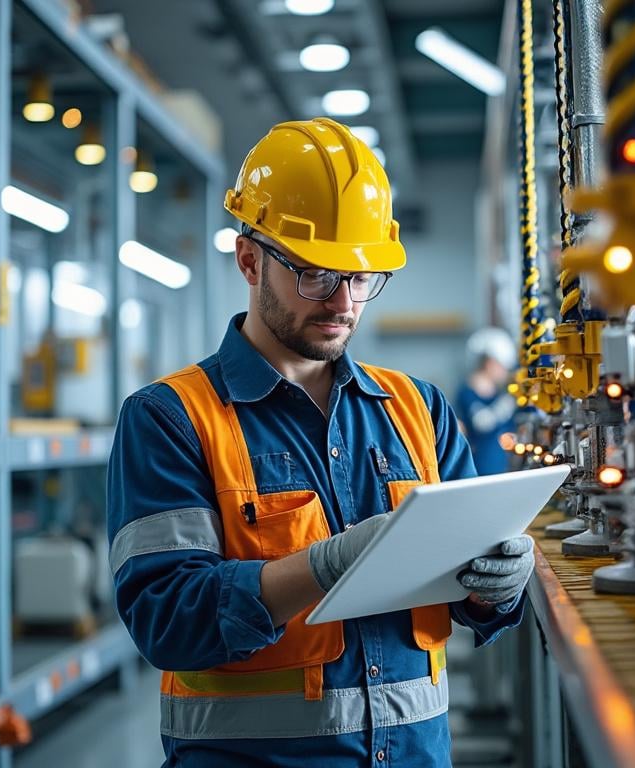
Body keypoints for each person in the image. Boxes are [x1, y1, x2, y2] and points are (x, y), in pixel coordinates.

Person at [107, 118, 534, 767]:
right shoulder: (170, 419)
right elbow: (168, 620)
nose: (343, 301)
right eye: (315, 274)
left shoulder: (420, 408)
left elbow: (470, 600)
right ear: (249, 259)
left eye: (362, 277)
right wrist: (322, 568)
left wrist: (496, 586)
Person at [456, 327, 517, 475]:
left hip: (502, 469)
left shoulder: (498, 394)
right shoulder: (467, 393)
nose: (505, 372)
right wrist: (511, 401)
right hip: (478, 470)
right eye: (502, 367)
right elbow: (482, 422)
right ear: (490, 363)